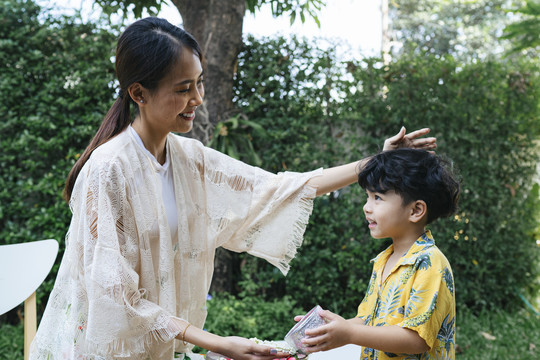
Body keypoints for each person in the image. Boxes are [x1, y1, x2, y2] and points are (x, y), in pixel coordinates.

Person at [30, 17, 437, 360]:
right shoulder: (108, 170)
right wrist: (218, 344)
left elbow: (280, 190)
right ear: (138, 93)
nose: (198, 99)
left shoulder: (191, 159)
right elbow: (116, 299)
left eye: (200, 83)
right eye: (182, 88)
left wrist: (374, 162)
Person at [298, 148, 460, 360]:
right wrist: (332, 330)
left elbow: (416, 339)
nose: (367, 207)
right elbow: (368, 319)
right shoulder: (384, 259)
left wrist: (349, 333)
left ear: (415, 211)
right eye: (367, 197)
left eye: (377, 198)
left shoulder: (429, 263)